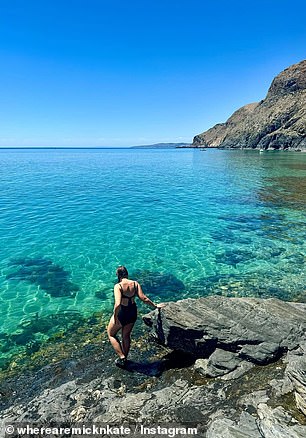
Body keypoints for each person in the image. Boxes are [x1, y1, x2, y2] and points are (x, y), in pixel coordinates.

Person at [107, 266, 164, 367]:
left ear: (118, 275)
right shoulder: (135, 284)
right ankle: (125, 358)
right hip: (132, 311)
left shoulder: (118, 286)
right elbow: (144, 298)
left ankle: (122, 357)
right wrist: (155, 306)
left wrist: (115, 316)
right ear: (127, 274)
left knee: (111, 334)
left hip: (123, 312)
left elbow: (118, 304)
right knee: (126, 335)